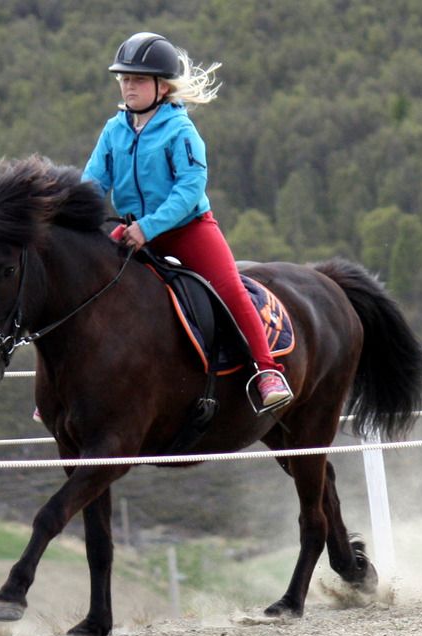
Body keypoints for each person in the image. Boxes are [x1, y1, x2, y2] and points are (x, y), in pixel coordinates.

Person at [83, 31, 293, 411]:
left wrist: (149, 227)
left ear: (162, 87)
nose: (128, 86)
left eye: (137, 79)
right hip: (133, 229)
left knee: (230, 288)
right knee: (84, 279)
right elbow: (94, 181)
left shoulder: (181, 130)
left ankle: (266, 371)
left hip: (186, 229)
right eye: (124, 79)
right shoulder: (113, 129)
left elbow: (191, 188)